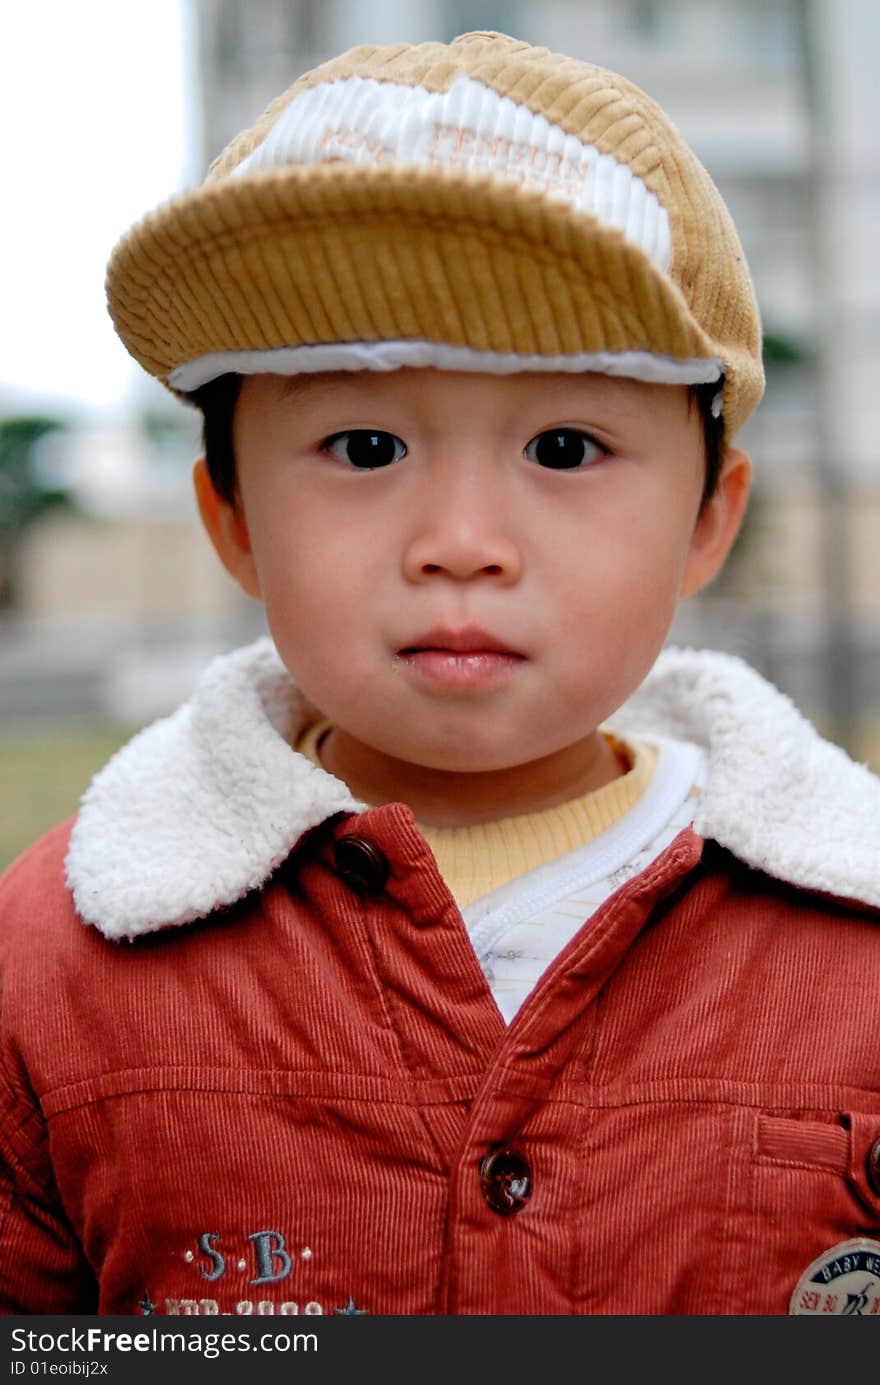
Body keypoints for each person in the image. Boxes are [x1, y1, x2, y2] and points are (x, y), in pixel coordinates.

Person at [1, 30, 879, 1319]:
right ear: (232, 516)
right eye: (364, 444)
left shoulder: (853, 939)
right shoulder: (53, 968)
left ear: (710, 519)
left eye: (566, 446)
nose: (461, 544)